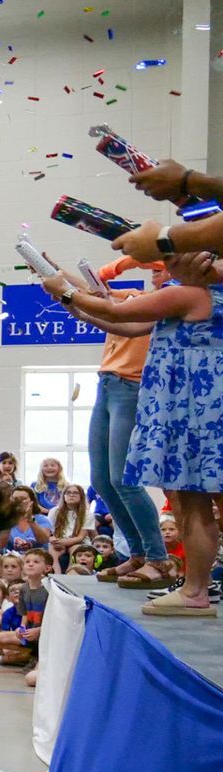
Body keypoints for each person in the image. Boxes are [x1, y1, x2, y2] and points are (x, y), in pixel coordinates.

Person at [48, 260, 223, 617]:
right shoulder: (193, 295)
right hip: (193, 400)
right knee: (192, 500)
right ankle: (192, 587)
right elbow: (128, 324)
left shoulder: (191, 294)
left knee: (193, 500)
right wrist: (73, 302)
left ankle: (189, 585)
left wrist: (66, 291)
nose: (169, 269)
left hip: (195, 402)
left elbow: (116, 308)